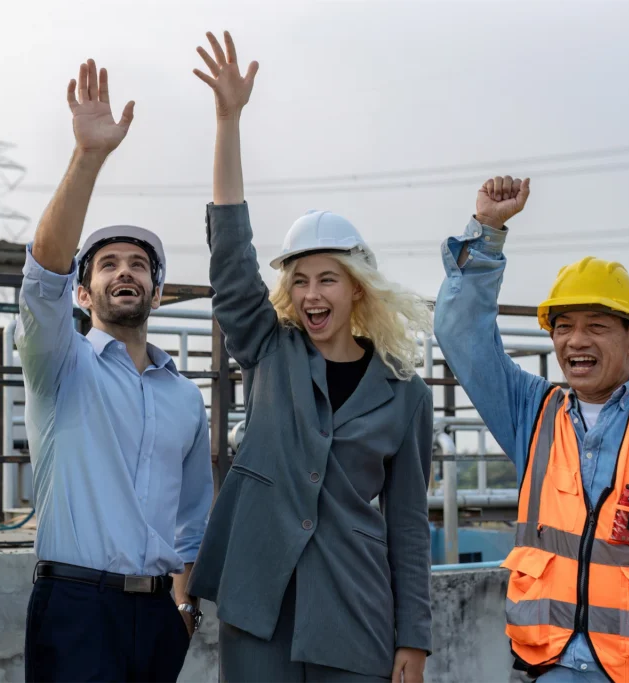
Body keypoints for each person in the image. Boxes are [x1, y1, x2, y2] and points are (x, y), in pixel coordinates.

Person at [433, 175, 629, 682]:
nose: (575, 341)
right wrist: (488, 232)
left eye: (596, 326)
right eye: (563, 326)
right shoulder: (533, 413)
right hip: (548, 669)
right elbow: (460, 334)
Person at [185, 31, 435, 683]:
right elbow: (231, 255)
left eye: (328, 278)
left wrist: (415, 638)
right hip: (258, 604)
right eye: (300, 279)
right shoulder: (270, 350)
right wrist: (227, 121)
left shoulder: (405, 391)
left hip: (355, 612)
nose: (312, 293)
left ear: (357, 288)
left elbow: (408, 524)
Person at [16, 58, 213, 683]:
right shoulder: (59, 365)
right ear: (83, 293)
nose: (124, 272)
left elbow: (194, 516)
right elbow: (42, 275)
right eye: (107, 265)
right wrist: (88, 156)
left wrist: (182, 599)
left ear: (157, 293)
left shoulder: (184, 396)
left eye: (138, 265)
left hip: (160, 612)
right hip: (74, 607)